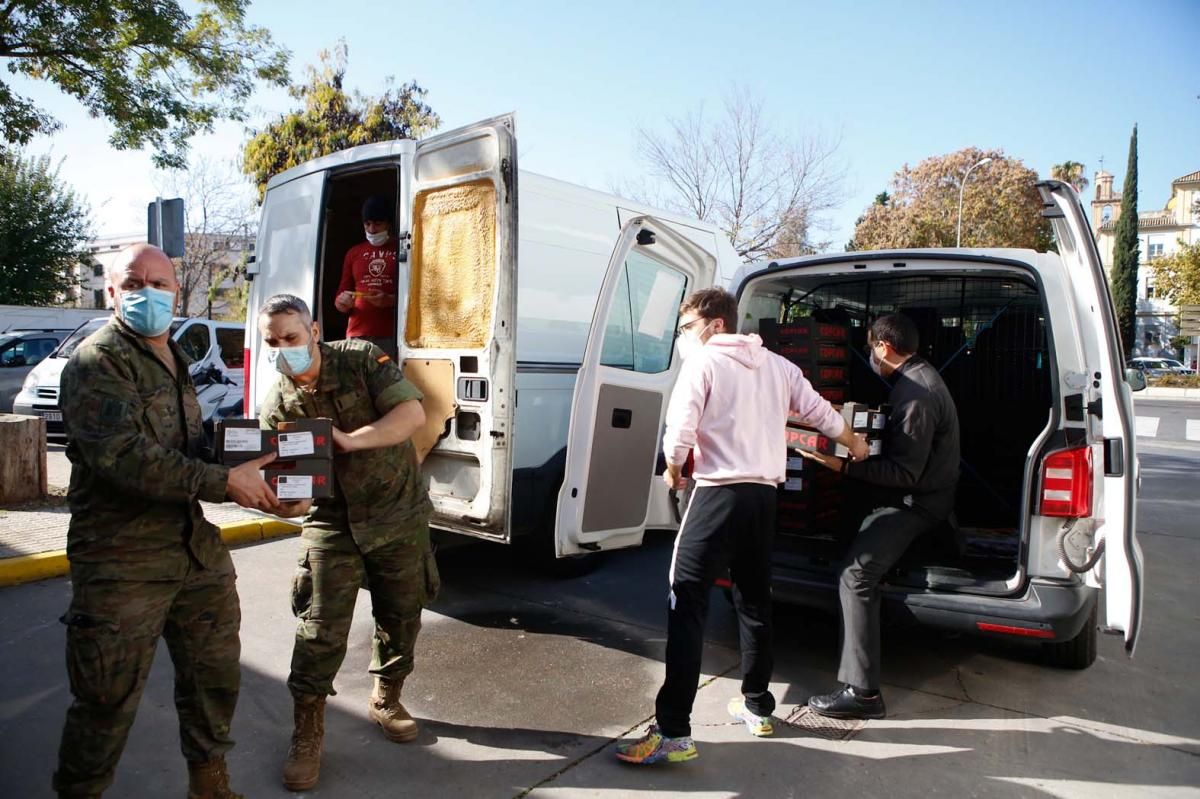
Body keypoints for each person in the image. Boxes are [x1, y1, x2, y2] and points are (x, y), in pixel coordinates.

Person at [53, 244, 280, 799]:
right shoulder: (97, 360)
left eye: (161, 283)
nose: (148, 293)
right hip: (121, 561)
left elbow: (189, 445)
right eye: (134, 283)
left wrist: (262, 479)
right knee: (106, 700)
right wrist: (225, 482)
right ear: (112, 291)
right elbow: (123, 457)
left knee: (214, 679)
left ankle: (210, 786)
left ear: (177, 292)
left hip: (191, 552)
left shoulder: (172, 353)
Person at [615, 288, 869, 765]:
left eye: (686, 328)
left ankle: (673, 731)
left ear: (714, 324)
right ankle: (757, 706)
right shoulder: (778, 366)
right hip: (762, 498)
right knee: (754, 599)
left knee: (685, 599)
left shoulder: (704, 363)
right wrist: (854, 442)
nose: (682, 339)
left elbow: (680, 429)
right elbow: (819, 412)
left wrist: (673, 470)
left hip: (715, 493)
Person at [256, 294, 439, 792]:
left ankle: (386, 696)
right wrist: (276, 503)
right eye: (272, 342)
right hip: (332, 524)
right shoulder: (276, 405)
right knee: (318, 632)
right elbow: (292, 492)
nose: (283, 349)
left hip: (396, 514)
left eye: (291, 338)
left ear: (313, 331)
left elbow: (410, 414)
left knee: (401, 615)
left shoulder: (359, 359)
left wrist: (352, 440)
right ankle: (307, 731)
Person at [805, 313, 960, 720]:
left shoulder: (916, 394)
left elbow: (903, 473)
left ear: (883, 348)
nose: (870, 354)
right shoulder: (915, 380)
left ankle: (863, 694)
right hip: (917, 494)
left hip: (917, 504)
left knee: (855, 576)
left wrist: (840, 465)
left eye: (871, 345)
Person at [334, 195, 399, 358]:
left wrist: (390, 300)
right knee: (356, 383)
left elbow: (416, 295)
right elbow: (341, 294)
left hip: (391, 336)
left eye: (377, 224)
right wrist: (342, 303)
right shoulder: (353, 253)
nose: (371, 229)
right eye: (367, 224)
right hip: (357, 334)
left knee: (386, 382)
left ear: (388, 224)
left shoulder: (402, 248)